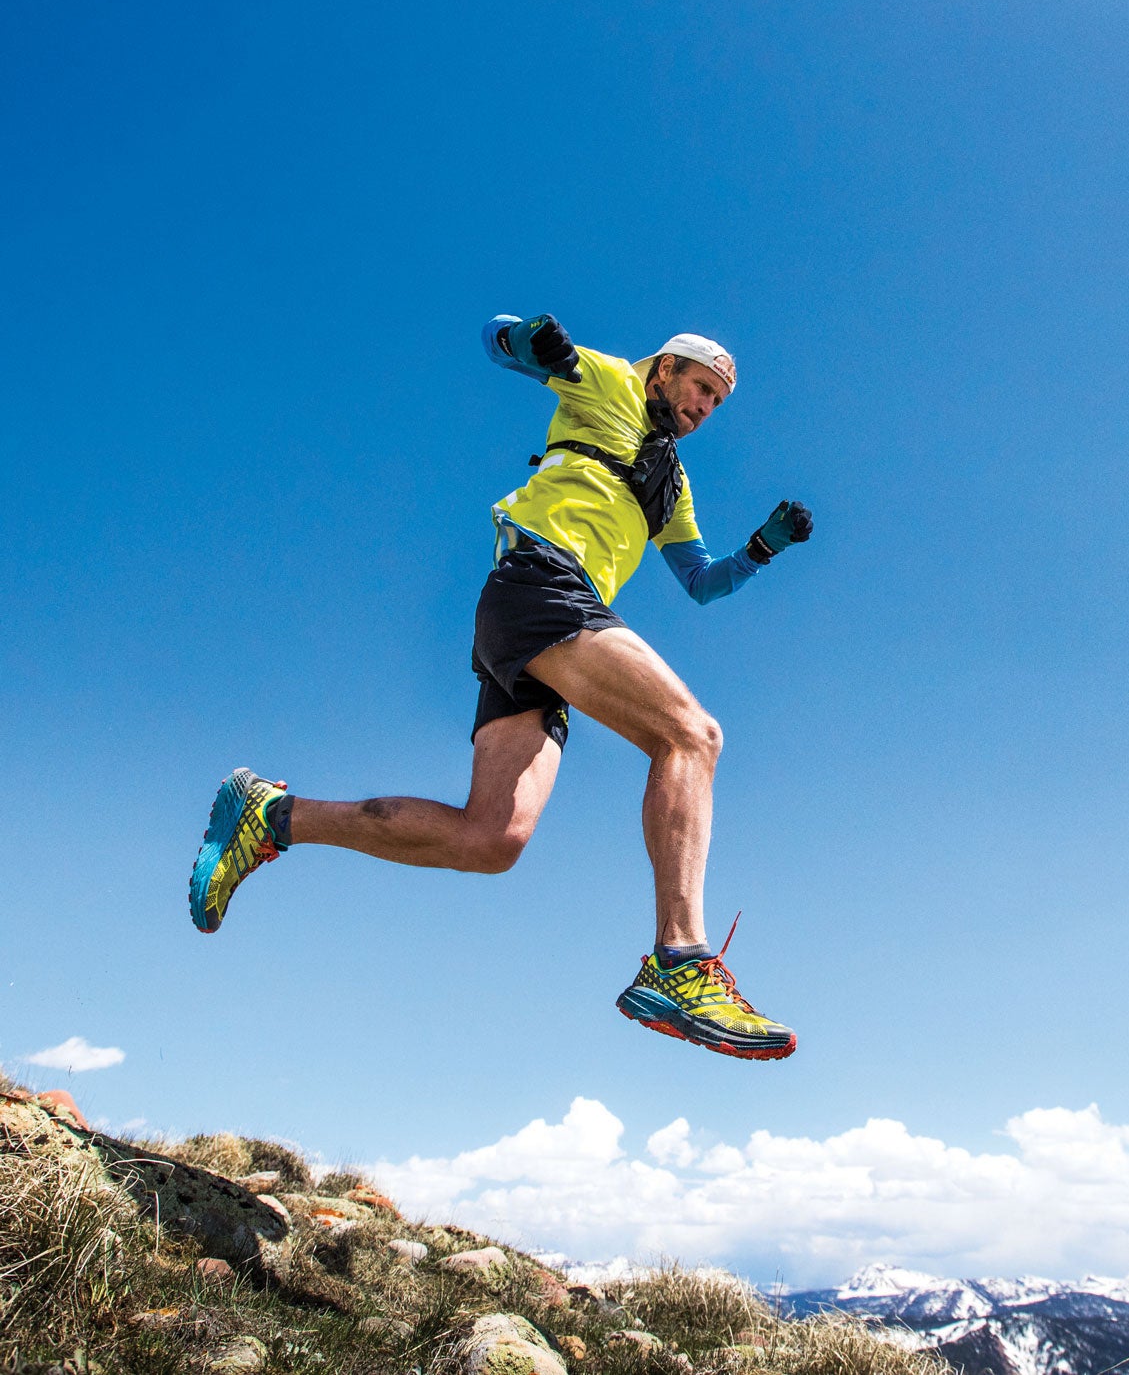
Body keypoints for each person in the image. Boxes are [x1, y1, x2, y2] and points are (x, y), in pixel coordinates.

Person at [189, 313, 814, 1061]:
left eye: (716, 402)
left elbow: (702, 584)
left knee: (491, 839)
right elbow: (499, 342)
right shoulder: (609, 380)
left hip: (534, 629)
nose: (704, 407)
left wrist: (759, 550)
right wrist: (531, 342)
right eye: (699, 387)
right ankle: (681, 961)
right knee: (691, 734)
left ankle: (273, 816)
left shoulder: (671, 485)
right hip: (541, 585)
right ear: (665, 371)